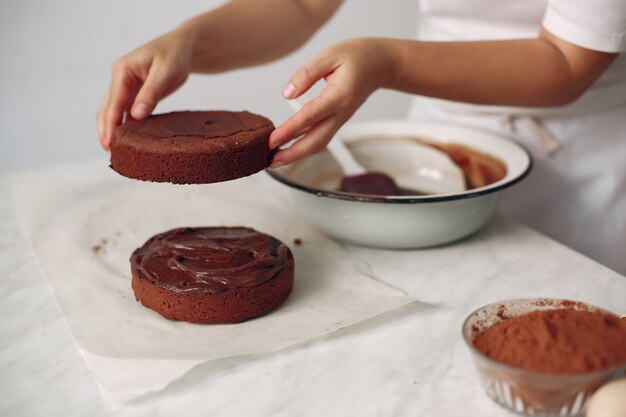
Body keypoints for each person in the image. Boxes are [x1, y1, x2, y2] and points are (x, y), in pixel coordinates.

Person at [97, 0, 626, 275]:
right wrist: (190, 40)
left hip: (583, 164)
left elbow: (567, 63)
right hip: (436, 128)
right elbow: (301, 6)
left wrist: (387, 62)